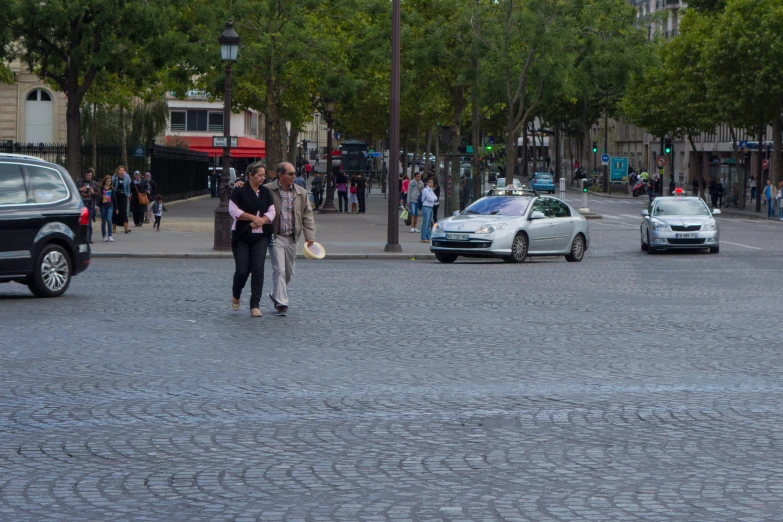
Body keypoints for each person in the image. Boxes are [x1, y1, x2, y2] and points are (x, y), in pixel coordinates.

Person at [266, 162, 317, 317]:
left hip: (292, 236)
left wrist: (310, 237)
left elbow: (308, 216)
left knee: (289, 271)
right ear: (280, 175)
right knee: (279, 269)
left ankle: (275, 294)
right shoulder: (268, 190)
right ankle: (282, 303)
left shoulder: (301, 192)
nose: (294, 176)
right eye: (291, 174)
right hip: (275, 236)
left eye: (294, 173)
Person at [228, 162, 275, 318]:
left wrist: (262, 220)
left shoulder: (265, 192)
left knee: (258, 269)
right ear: (251, 175)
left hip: (260, 235)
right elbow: (233, 210)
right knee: (242, 270)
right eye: (260, 175)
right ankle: (236, 293)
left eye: (264, 175)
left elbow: (272, 211)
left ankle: (255, 305)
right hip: (241, 234)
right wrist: (252, 218)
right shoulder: (239, 189)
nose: (263, 178)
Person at [76, 168, 100, 243]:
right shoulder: (79, 182)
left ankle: (88, 238)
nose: (88, 177)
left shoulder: (94, 183)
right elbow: (73, 190)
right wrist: (80, 189)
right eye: (87, 175)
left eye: (90, 175)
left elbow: (99, 194)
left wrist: (93, 192)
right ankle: (82, 238)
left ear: (92, 176)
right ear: (85, 175)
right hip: (81, 204)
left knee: (89, 222)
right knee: (82, 222)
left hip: (90, 204)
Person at [111, 166, 132, 234]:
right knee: (115, 210)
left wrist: (128, 196)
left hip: (124, 195)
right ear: (118, 171)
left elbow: (129, 187)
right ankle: (114, 227)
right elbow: (111, 184)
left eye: (123, 170)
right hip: (116, 195)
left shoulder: (127, 177)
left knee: (123, 210)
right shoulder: (115, 176)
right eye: (120, 170)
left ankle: (126, 227)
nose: (122, 171)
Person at [420, 177, 438, 243]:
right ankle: (423, 237)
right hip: (426, 207)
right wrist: (433, 199)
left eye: (432, 182)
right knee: (425, 223)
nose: (431, 183)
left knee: (429, 223)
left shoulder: (431, 190)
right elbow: (430, 199)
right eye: (429, 182)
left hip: (430, 207)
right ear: (427, 183)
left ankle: (428, 237)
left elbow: (435, 197)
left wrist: (432, 198)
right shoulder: (425, 190)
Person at [98, 175, 115, 242]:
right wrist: (98, 205)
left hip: (110, 205)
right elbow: (99, 197)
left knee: (109, 219)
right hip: (103, 205)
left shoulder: (112, 188)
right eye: (107, 181)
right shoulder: (101, 188)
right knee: (103, 221)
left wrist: (116, 208)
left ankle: (110, 235)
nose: (108, 182)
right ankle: (104, 235)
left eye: (110, 181)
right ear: (105, 181)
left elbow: (114, 198)